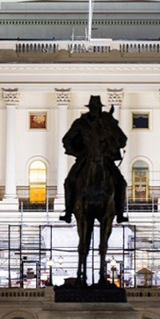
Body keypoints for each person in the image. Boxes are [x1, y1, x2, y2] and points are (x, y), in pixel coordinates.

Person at [59, 95, 129, 224]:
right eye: (93, 108)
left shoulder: (107, 121)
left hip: (105, 158)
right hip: (85, 158)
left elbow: (122, 139)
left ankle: (120, 212)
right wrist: (78, 153)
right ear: (89, 108)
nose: (95, 111)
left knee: (120, 182)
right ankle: (68, 211)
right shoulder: (81, 123)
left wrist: (112, 146)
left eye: (97, 108)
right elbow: (66, 140)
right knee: (69, 181)